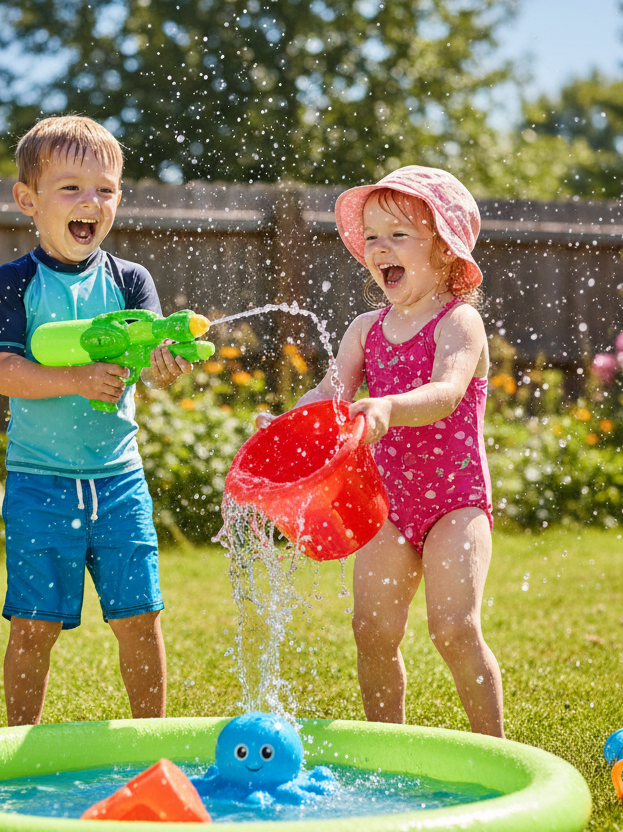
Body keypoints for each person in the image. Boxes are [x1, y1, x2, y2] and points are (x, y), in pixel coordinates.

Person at [258, 166, 503, 737]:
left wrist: (389, 407)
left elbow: (445, 392)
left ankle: (497, 749)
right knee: (370, 630)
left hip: (455, 504)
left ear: (443, 249)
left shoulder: (459, 322)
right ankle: (386, 745)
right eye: (372, 236)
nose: (379, 248)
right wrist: (287, 425)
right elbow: (331, 394)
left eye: (398, 235)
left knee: (454, 629)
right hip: (386, 506)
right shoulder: (365, 329)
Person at [0, 116, 193, 726]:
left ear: (118, 200)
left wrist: (164, 361)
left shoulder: (130, 281)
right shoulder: (16, 281)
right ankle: (22, 745)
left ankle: (147, 740)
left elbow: (152, 356)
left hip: (119, 481)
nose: (90, 202)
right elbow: (2, 371)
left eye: (104, 189)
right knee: (34, 625)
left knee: (140, 617)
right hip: (39, 482)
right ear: (29, 201)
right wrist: (76, 378)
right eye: (70, 188)